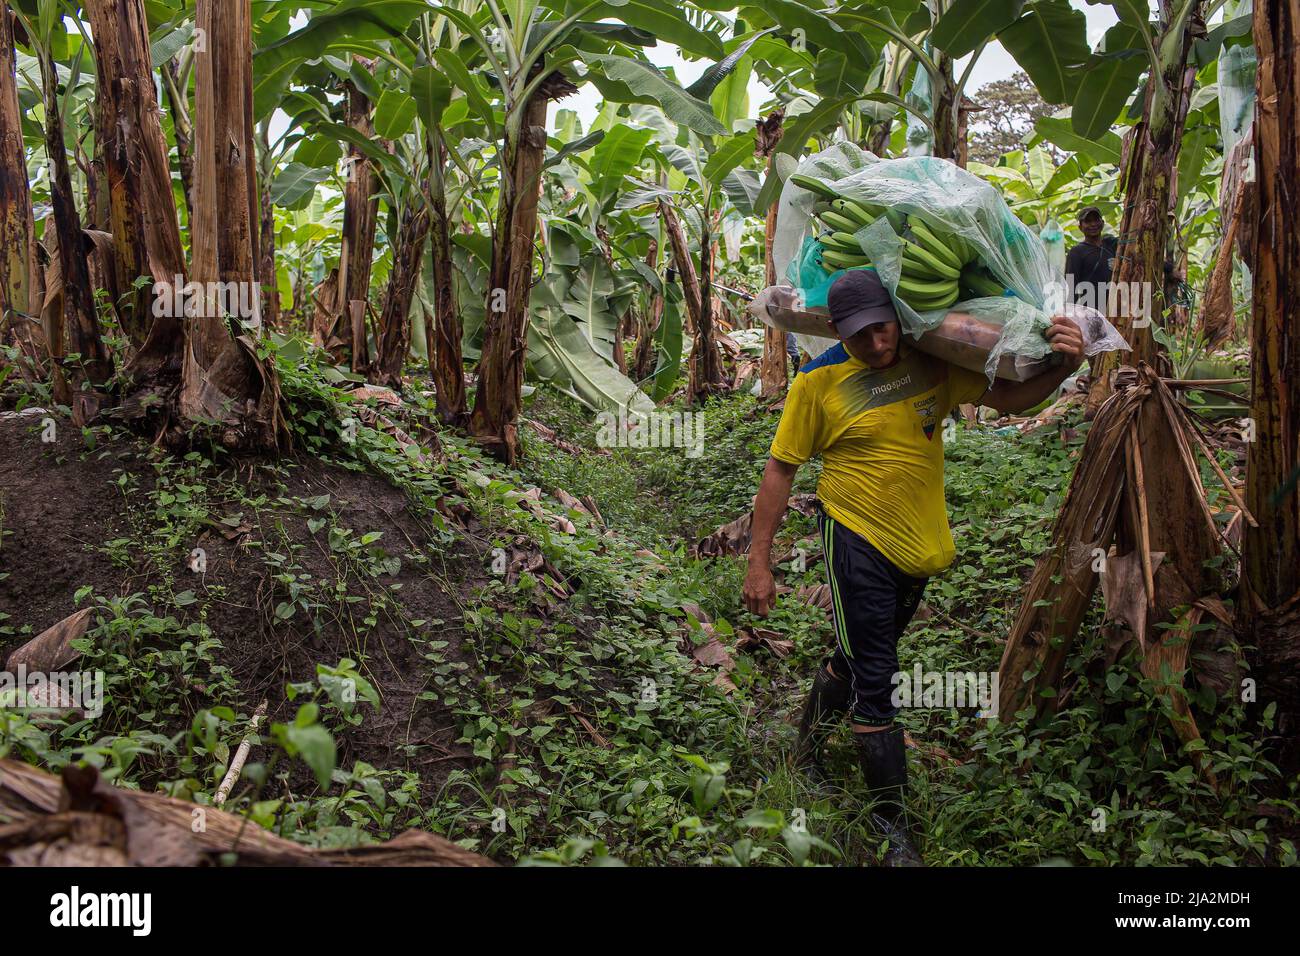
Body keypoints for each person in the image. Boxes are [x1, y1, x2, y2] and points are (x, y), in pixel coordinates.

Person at [742, 269, 1085, 866]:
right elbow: (781, 469)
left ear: (897, 316)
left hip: (918, 548)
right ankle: (890, 828)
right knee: (878, 679)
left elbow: (1004, 398)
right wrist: (758, 562)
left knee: (855, 657)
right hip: (855, 544)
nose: (875, 345)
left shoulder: (929, 362)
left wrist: (1063, 367)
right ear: (836, 331)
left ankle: (806, 750)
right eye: (858, 337)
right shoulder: (817, 381)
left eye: (882, 329)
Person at [1064, 205, 1118, 305]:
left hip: (1117, 308)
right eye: (1088, 221)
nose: (1093, 224)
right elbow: (1071, 286)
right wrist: (1071, 313)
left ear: (1102, 223)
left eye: (1096, 220)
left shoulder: (1112, 245)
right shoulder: (1076, 252)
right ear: (1080, 227)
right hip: (1092, 311)